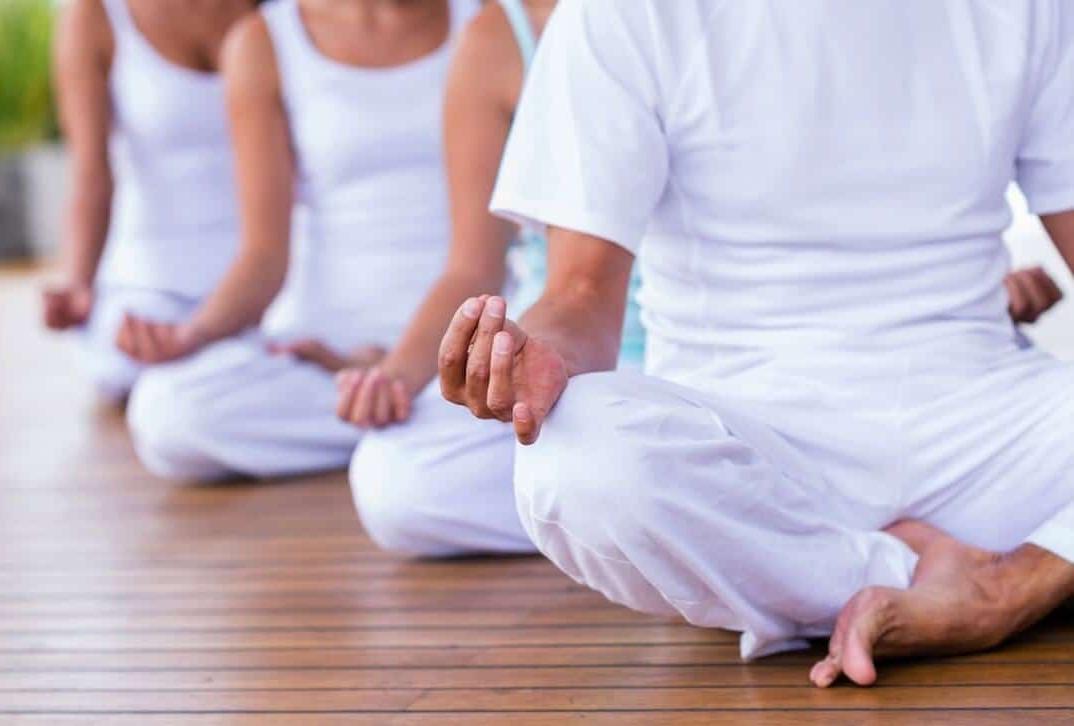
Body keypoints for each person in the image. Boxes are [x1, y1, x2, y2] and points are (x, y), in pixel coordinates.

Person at [439, 0, 1074, 687]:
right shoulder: (618, 12)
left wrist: (1025, 583)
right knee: (576, 461)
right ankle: (933, 571)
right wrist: (539, 357)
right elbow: (582, 293)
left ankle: (999, 588)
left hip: (986, 431)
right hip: (760, 453)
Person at [339, 0, 646, 556]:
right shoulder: (493, 40)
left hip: (685, 354)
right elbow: (471, 266)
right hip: (553, 352)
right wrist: (396, 373)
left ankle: (612, 519)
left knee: (618, 463)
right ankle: (620, 525)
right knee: (394, 483)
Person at [123, 0, 476, 481]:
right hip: (324, 354)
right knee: (166, 412)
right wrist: (193, 334)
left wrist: (400, 364)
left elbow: (485, 256)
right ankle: (391, 413)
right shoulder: (264, 39)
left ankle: (400, 406)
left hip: (462, 339)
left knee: (485, 393)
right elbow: (263, 253)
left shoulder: (487, 21)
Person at [43, 0, 259, 401]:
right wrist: (76, 282)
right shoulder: (96, 15)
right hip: (153, 289)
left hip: (270, 278)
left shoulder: (285, 13)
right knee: (126, 360)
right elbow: (90, 174)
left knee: (291, 345)